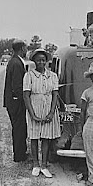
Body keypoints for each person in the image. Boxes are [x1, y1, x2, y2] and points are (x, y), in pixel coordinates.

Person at [23, 49, 61, 178]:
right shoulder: (29, 75)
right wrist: (32, 114)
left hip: (48, 107)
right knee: (34, 137)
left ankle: (44, 165)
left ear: (47, 61)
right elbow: (26, 96)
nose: (41, 62)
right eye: (38, 60)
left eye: (43, 60)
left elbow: (55, 94)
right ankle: (35, 164)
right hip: (35, 107)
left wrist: (51, 112)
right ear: (34, 61)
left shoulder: (53, 76)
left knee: (46, 137)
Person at [3, 39, 28, 162]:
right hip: (16, 102)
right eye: (26, 47)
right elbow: (18, 86)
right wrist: (24, 100)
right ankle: (19, 155)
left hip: (12, 101)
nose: (26, 50)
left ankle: (20, 152)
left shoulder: (14, 61)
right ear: (22, 48)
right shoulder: (17, 63)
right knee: (19, 128)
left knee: (18, 127)